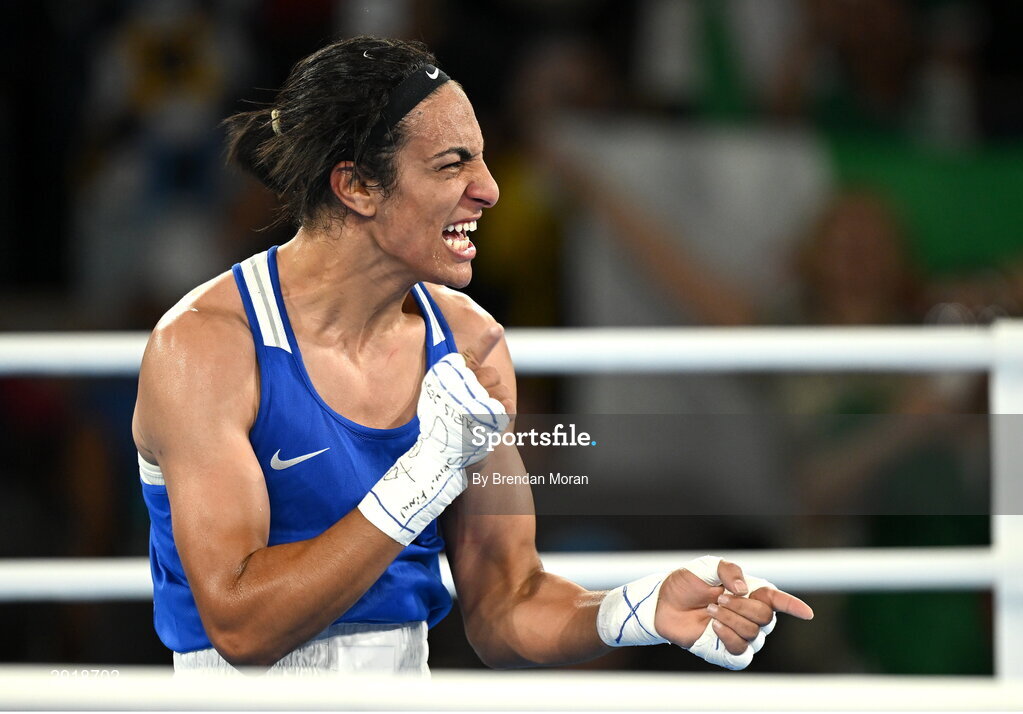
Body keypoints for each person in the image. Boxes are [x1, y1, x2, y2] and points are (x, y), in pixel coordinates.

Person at [131, 35, 812, 675]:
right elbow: (242, 627)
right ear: (357, 186)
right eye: (452, 163)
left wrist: (634, 610)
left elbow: (503, 603)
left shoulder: (469, 344)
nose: (488, 188)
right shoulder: (208, 346)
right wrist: (421, 474)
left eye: (482, 158)